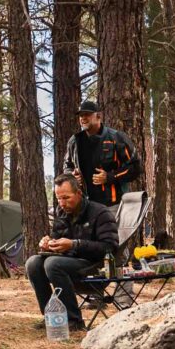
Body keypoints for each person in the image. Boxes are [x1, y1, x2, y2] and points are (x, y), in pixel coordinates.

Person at [26, 174, 119, 332]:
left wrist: (75, 244)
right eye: (58, 198)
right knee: (33, 263)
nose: (62, 203)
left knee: (53, 264)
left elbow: (110, 248)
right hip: (68, 264)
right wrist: (48, 244)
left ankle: (73, 321)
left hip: (96, 268)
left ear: (78, 193)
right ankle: (52, 317)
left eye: (66, 198)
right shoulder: (61, 212)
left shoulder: (100, 213)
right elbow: (57, 239)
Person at [64, 100, 141, 208]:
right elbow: (67, 166)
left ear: (99, 116)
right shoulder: (74, 141)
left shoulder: (117, 138)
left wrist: (110, 177)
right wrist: (72, 176)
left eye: (87, 114)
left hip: (113, 205)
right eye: (81, 115)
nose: (83, 118)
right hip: (85, 206)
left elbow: (136, 167)